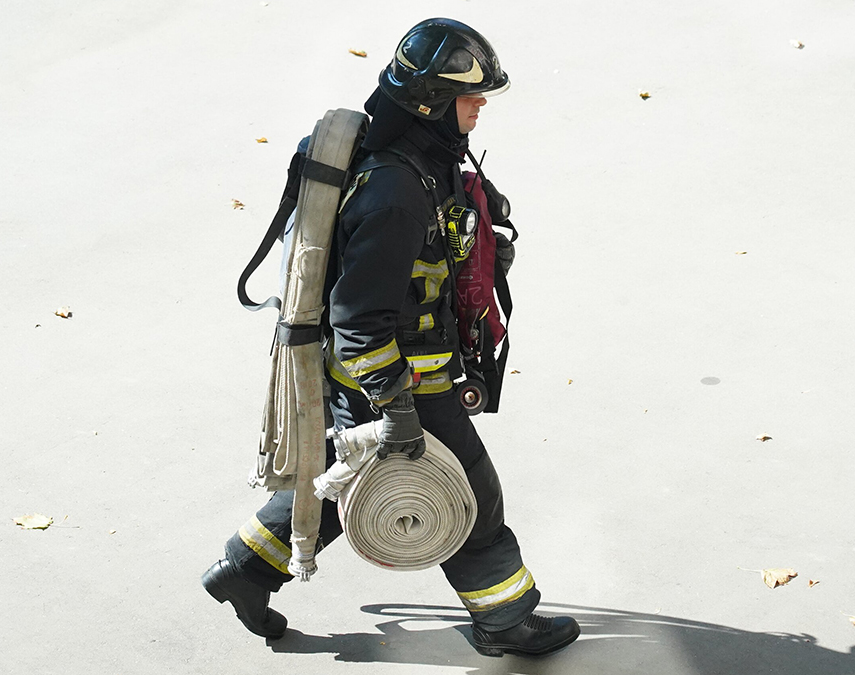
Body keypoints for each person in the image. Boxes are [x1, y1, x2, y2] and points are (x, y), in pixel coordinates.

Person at [201, 18, 579, 658]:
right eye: (470, 96)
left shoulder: (420, 162)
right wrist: (397, 409)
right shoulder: (396, 192)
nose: (481, 105)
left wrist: (479, 251)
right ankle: (506, 621)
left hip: (380, 381)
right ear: (431, 104)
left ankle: (244, 570)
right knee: (472, 493)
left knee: (339, 484)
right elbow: (359, 316)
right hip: (401, 384)